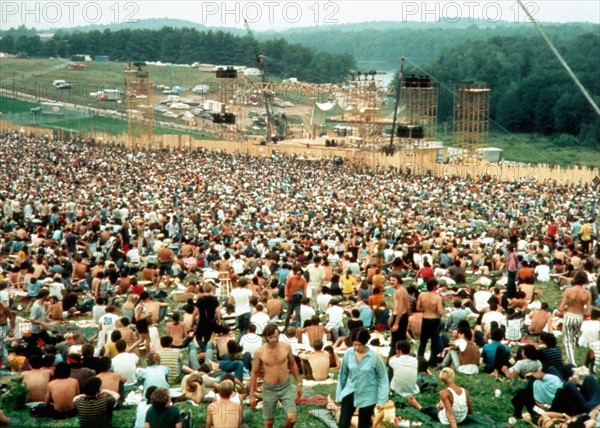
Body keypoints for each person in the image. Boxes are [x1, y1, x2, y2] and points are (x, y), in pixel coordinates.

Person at [249, 323, 302, 428]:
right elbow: (254, 372)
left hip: (285, 387)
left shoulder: (286, 347)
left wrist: (299, 383)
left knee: (292, 418)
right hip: (269, 389)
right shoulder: (260, 352)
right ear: (265, 337)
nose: (273, 340)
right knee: (269, 422)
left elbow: (293, 364)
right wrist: (251, 395)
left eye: (275, 337)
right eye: (270, 337)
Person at [336, 328, 389, 428]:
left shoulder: (374, 357)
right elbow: (342, 375)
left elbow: (383, 378)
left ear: (365, 343)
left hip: (368, 394)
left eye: (359, 345)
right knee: (343, 423)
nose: (356, 347)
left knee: (363, 424)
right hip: (350, 391)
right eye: (354, 344)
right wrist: (339, 395)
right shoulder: (348, 353)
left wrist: (382, 400)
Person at [407, 367, 473, 428]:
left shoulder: (443, 393)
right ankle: (441, 405)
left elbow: (449, 414)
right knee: (444, 405)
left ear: (442, 380)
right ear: (453, 377)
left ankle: (419, 406)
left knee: (431, 410)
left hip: (447, 420)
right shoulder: (465, 391)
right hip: (462, 419)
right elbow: (470, 410)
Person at [559, 270, 592, 365]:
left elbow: (561, 308)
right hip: (579, 317)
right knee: (572, 339)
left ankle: (572, 363)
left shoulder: (569, 290)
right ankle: (568, 360)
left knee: (567, 340)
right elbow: (588, 312)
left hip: (569, 315)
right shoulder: (587, 293)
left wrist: (567, 307)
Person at [416, 279, 444, 367]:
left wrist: (424, 310)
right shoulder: (437, 297)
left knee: (423, 342)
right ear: (434, 286)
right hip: (434, 320)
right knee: (434, 342)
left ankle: (420, 360)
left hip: (425, 319)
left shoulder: (421, 295)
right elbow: (440, 311)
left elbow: (417, 308)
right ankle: (433, 362)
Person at [389, 274, 410, 355]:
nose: (391, 282)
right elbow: (407, 306)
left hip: (399, 317)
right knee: (402, 340)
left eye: (394, 280)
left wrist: (396, 323)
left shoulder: (399, 292)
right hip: (404, 316)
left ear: (398, 281)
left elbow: (400, 308)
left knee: (395, 342)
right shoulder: (403, 289)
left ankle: (391, 361)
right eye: (390, 280)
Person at [0, 299, 15, 370]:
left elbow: (12, 317)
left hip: (2, 327)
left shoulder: (4, 307)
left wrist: (11, 330)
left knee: (3, 346)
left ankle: (6, 364)